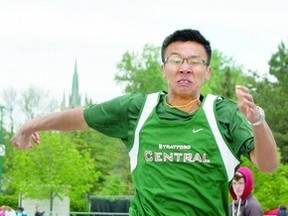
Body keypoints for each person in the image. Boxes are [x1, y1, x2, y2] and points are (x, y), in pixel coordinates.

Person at [11, 29, 279, 215]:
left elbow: (268, 164)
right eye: (176, 60)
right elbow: (81, 116)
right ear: (164, 69)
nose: (185, 67)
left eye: (195, 62)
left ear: (207, 72)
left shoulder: (225, 114)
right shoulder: (138, 109)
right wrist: (31, 124)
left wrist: (257, 122)